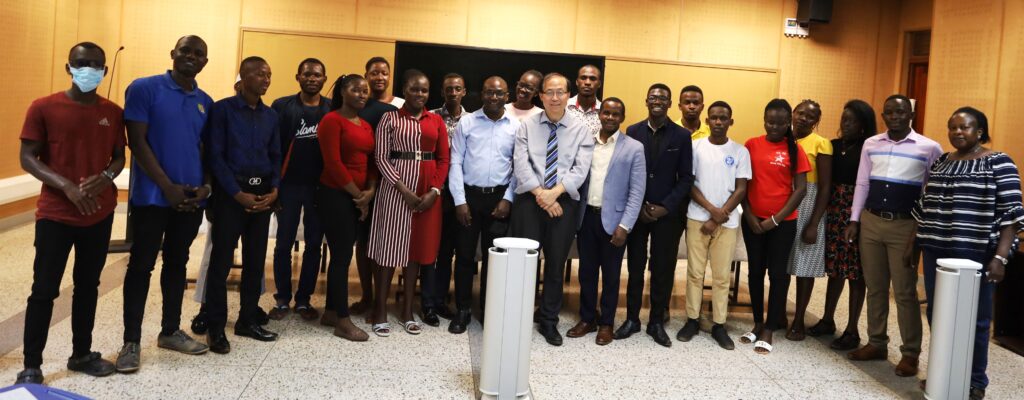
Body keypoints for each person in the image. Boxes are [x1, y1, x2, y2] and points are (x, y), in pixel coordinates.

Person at [15, 42, 126, 384]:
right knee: (44, 288)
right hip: (56, 215)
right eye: (82, 63)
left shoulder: (113, 111)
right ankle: (31, 365)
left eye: (96, 65)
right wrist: (66, 186)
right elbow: (28, 157)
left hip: (98, 212)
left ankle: (81, 354)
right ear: (69, 67)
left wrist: (106, 177)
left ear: (105, 71)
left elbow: (119, 157)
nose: (89, 69)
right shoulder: (44, 107)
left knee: (88, 286)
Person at [116, 35, 213, 373]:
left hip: (188, 200)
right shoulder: (144, 89)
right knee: (141, 265)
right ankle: (130, 341)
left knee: (177, 262)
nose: (191, 57)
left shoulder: (206, 101)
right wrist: (167, 187)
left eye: (198, 54)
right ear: (173, 54)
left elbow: (205, 149)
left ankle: (170, 330)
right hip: (153, 197)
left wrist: (205, 188)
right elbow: (137, 143)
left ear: (205, 62)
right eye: (185, 50)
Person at [913, 107, 1023, 400]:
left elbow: (1012, 216)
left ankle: (975, 380)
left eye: (965, 127)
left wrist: (1000, 258)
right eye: (953, 127)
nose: (958, 132)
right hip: (937, 250)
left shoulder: (999, 163)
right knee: (939, 315)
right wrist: (916, 248)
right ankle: (943, 373)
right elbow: (925, 209)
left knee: (977, 320)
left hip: (977, 253)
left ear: (980, 130)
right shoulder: (941, 163)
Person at [844, 95, 942, 376]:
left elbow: (930, 192)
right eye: (889, 112)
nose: (895, 116)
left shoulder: (929, 147)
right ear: (883, 115)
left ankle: (910, 353)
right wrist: (854, 219)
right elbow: (863, 181)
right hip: (871, 222)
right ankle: (876, 343)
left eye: (901, 111)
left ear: (911, 113)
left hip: (905, 226)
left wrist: (918, 231)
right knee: (874, 287)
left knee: (904, 292)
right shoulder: (871, 143)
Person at [205, 56, 282, 353]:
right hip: (231, 195)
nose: (266, 79)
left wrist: (275, 189)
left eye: (269, 74)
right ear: (244, 76)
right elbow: (215, 155)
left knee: (254, 261)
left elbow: (276, 154)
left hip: (263, 194)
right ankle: (215, 326)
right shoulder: (222, 110)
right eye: (260, 74)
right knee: (221, 263)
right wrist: (237, 194)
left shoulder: (271, 115)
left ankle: (247, 319)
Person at [511, 72, 594, 346]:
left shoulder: (581, 129)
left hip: (563, 202)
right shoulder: (526, 125)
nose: (555, 97)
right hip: (530, 201)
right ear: (541, 96)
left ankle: (548, 321)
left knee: (556, 265)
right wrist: (541, 194)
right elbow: (521, 165)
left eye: (561, 92)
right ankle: (519, 319)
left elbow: (580, 170)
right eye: (550, 92)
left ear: (568, 96)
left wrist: (554, 194)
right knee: (525, 264)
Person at [366, 69, 449, 337]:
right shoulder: (390, 118)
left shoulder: (436, 121)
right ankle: (380, 310)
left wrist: (434, 191)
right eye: (414, 89)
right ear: (405, 89)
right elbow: (381, 158)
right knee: (390, 249)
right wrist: (404, 190)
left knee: (415, 251)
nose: (420, 94)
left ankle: (406, 311)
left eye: (424, 90)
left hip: (427, 195)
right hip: (394, 192)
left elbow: (443, 159)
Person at [619, 83, 693, 347]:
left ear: (670, 103)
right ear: (646, 101)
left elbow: (686, 178)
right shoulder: (632, 131)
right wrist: (637, 207)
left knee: (663, 269)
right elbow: (627, 173)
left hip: (667, 214)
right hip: (637, 213)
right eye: (653, 97)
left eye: (663, 97)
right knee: (636, 268)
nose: (658, 100)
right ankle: (631, 319)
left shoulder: (682, 136)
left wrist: (666, 206)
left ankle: (656, 323)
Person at [567, 98, 646, 346]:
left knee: (611, 276)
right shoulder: (586, 143)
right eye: (607, 113)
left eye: (616, 114)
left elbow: (637, 191)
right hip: (587, 217)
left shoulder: (634, 148)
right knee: (587, 273)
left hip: (615, 222)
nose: (610, 117)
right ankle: (588, 318)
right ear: (600, 114)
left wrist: (625, 226)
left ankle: (607, 323)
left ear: (622, 118)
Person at [447, 76, 520, 334]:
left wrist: (507, 199)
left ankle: (489, 310)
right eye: (489, 92)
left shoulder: (515, 125)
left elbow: (518, 167)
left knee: (495, 259)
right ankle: (463, 310)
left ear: (507, 95)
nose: (494, 97)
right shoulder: (466, 123)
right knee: (465, 256)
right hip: (469, 197)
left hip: (498, 199)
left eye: (499, 93)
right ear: (481, 95)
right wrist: (459, 201)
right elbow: (455, 162)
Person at [740, 98, 809, 355]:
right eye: (770, 121)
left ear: (788, 122)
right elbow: (743, 184)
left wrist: (775, 219)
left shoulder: (795, 150)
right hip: (753, 222)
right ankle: (757, 323)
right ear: (764, 119)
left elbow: (800, 190)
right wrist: (749, 216)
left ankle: (771, 326)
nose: (775, 126)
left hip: (782, 224)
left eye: (781, 122)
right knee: (755, 272)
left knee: (778, 275)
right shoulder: (751, 144)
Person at [678, 100, 749, 350]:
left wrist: (721, 214)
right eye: (714, 118)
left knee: (721, 277)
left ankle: (719, 324)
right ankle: (692, 320)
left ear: (731, 121)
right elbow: (689, 183)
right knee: (695, 274)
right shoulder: (695, 147)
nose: (718, 122)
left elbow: (741, 188)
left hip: (728, 222)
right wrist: (711, 212)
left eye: (724, 118)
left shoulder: (740, 151)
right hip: (697, 218)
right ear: (707, 121)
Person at [334, 60, 400, 323]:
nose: (379, 77)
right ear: (365, 76)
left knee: (381, 243)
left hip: (385, 183)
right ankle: (366, 295)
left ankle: (380, 298)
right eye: (374, 72)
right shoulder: (354, 105)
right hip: (355, 185)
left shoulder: (392, 109)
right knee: (362, 243)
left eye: (384, 72)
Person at [806, 99, 875, 350]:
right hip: (833, 211)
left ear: (863, 125)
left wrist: (856, 218)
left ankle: (853, 330)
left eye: (852, 120)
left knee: (856, 273)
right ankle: (827, 319)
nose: (845, 124)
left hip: (856, 214)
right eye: (843, 119)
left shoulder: (869, 148)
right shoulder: (832, 146)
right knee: (835, 269)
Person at [268, 58, 330, 322]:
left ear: (324, 79)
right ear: (298, 77)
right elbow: (273, 149)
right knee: (283, 243)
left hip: (319, 188)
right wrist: (275, 187)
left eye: (317, 75)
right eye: (307, 74)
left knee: (313, 245)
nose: (312, 79)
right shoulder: (282, 106)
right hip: (288, 186)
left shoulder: (332, 109)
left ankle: (304, 299)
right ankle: (282, 298)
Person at [316, 74, 376, 342]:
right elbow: (333, 164)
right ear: (342, 92)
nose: (362, 94)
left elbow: (371, 161)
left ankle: (330, 311)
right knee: (341, 258)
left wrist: (370, 192)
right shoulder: (331, 120)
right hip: (335, 195)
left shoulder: (365, 124)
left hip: (359, 196)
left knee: (343, 256)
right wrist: (358, 196)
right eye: (356, 90)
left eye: (365, 91)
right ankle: (342, 319)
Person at [421, 73, 467, 327]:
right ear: (442, 91)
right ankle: (427, 302)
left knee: (449, 250)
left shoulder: (473, 120)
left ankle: (440, 299)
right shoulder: (432, 117)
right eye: (448, 88)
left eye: (457, 88)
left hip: (459, 194)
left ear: (464, 91)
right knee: (431, 249)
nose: (453, 92)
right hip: (433, 189)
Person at [786, 99, 832, 341]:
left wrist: (814, 223)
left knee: (804, 268)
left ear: (816, 122)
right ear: (793, 113)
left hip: (809, 205)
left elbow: (825, 188)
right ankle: (776, 314)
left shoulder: (821, 144)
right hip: (784, 202)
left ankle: (799, 319)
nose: (803, 118)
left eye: (810, 116)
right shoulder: (782, 138)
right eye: (800, 113)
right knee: (780, 265)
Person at [566, 65, 602, 134]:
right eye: (583, 78)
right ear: (577, 82)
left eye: (593, 79)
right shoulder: (563, 106)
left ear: (599, 84)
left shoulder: (603, 111)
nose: (587, 82)